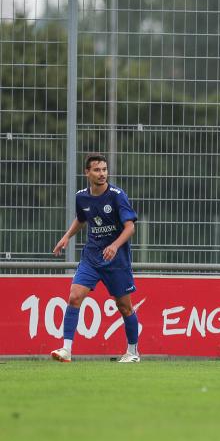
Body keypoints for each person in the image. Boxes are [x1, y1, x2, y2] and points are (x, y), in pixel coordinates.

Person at [50, 154, 141, 363]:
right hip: (91, 257)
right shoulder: (81, 196)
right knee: (74, 296)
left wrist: (115, 246)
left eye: (104, 169)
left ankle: (133, 352)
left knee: (124, 306)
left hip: (116, 260)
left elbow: (130, 227)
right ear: (87, 173)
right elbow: (82, 219)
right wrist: (66, 237)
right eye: (97, 170)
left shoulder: (118, 196)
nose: (102, 174)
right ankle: (66, 350)